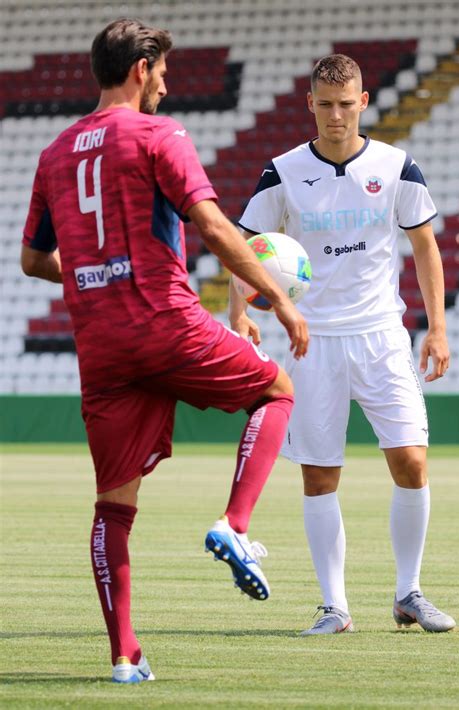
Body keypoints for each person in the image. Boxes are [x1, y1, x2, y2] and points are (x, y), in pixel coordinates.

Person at [21, 18, 309, 682]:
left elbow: (34, 259)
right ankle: (235, 524)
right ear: (140, 68)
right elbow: (210, 224)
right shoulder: (158, 134)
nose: (167, 86)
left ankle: (124, 656)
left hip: (100, 344)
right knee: (276, 391)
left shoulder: (54, 154)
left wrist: (94, 271)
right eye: (163, 73)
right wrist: (280, 299)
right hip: (164, 321)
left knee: (113, 505)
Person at [233, 54, 456, 635]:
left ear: (362, 102)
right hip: (314, 342)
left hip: (383, 334)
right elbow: (246, 246)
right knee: (319, 476)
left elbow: (425, 247)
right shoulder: (281, 172)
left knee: (410, 460)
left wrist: (436, 327)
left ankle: (409, 593)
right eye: (325, 104)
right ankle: (335, 607)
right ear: (310, 104)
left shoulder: (397, 165)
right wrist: (240, 312)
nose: (336, 115)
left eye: (346, 103)